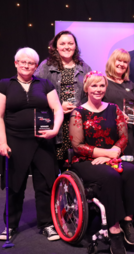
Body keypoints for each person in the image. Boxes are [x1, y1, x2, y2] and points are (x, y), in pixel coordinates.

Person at [69, 71, 134, 254]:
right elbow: (77, 146)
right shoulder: (79, 113)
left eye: (102, 85)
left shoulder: (113, 109)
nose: (98, 89)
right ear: (86, 88)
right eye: (94, 85)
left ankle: (127, 220)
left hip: (112, 156)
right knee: (110, 177)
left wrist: (114, 152)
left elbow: (123, 137)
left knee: (133, 172)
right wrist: (106, 154)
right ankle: (114, 230)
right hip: (86, 161)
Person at [0, 47, 63, 241]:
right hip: (15, 141)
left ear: (35, 66)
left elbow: (57, 110)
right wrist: (2, 142)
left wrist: (55, 130)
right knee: (15, 185)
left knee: (46, 184)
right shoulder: (4, 85)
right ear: (16, 63)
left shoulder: (45, 84)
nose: (26, 65)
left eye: (31, 63)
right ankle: (11, 226)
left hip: (43, 140)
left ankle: (48, 224)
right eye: (23, 62)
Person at [35, 30, 92, 170]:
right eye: (62, 43)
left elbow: (91, 94)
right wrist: (59, 106)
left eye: (70, 43)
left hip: (77, 122)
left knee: (75, 164)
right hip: (55, 124)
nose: (67, 47)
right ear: (55, 47)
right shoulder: (46, 67)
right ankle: (58, 191)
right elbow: (35, 93)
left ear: (75, 46)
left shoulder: (84, 68)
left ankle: (72, 190)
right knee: (56, 164)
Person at [103, 49, 134, 158]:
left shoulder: (132, 86)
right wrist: (116, 113)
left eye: (125, 62)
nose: (122, 64)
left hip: (127, 133)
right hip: (108, 131)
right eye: (119, 60)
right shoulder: (102, 83)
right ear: (112, 61)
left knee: (128, 167)